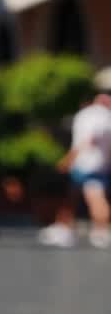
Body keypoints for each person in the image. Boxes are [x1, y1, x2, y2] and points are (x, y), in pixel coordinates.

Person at [39, 93, 111, 249]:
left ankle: (101, 230)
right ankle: (65, 228)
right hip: (100, 164)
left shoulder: (92, 116)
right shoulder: (106, 116)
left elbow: (88, 140)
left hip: (87, 164)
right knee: (74, 196)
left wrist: (68, 160)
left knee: (93, 197)